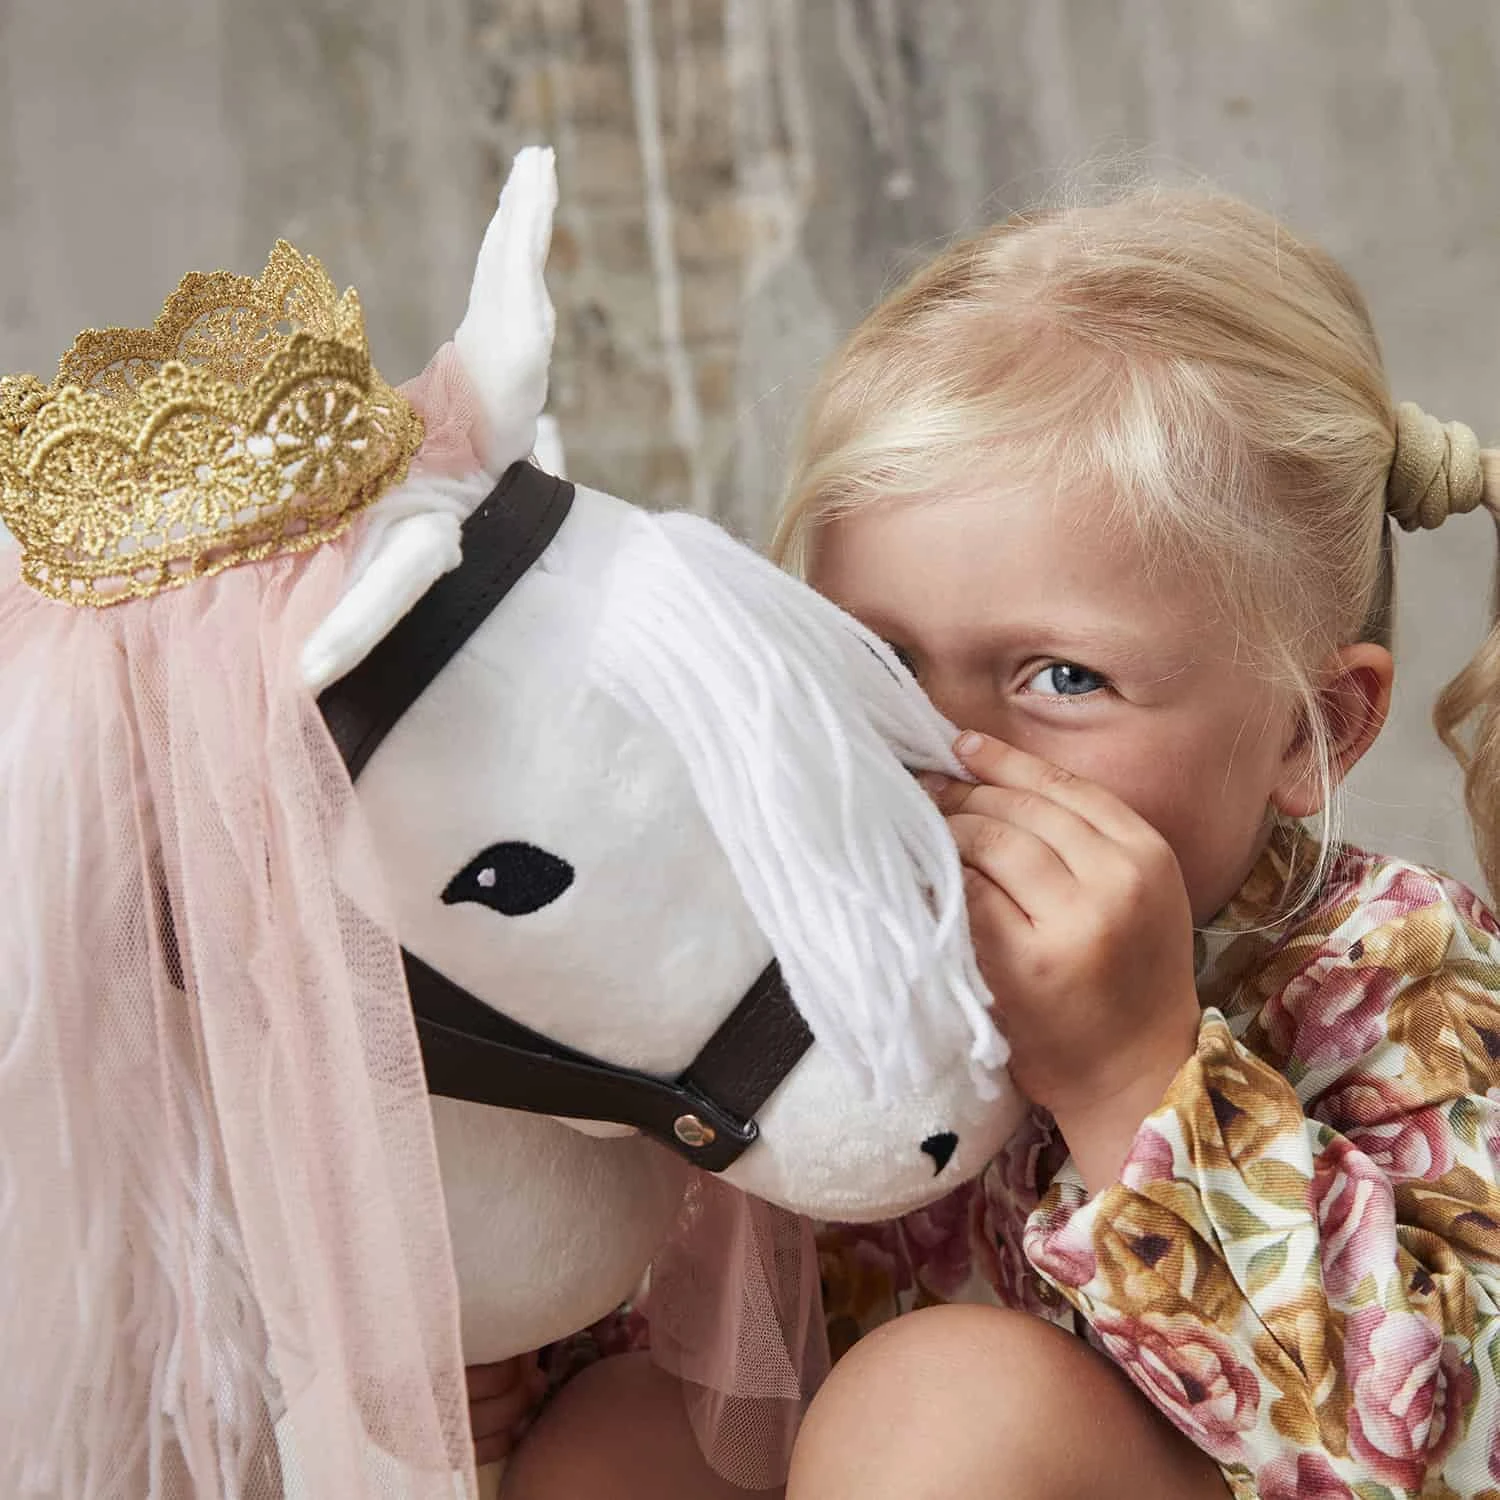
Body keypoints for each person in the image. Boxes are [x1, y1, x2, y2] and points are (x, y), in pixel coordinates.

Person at [497, 184, 1500, 1500]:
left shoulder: (1392, 982)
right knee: (625, 1428)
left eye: (1065, 678)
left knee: (947, 1409)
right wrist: (523, 1337)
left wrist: (1132, 1081)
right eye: (879, 660)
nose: (940, 747)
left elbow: (1442, 1456)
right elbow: (717, 1296)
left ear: (1313, 731)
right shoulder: (824, 950)